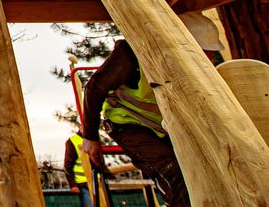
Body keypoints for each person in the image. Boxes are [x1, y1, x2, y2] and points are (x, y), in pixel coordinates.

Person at [79, 13, 224, 207]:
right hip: (127, 123)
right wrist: (90, 137)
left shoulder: (190, 69)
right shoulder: (132, 55)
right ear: (181, 45)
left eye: (210, 53)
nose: (209, 58)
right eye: (204, 52)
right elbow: (94, 88)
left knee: (199, 166)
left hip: (162, 128)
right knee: (171, 168)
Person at [63, 132, 94, 207]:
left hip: (96, 183)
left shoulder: (94, 139)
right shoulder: (73, 141)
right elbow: (68, 165)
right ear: (79, 126)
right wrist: (72, 184)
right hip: (83, 184)